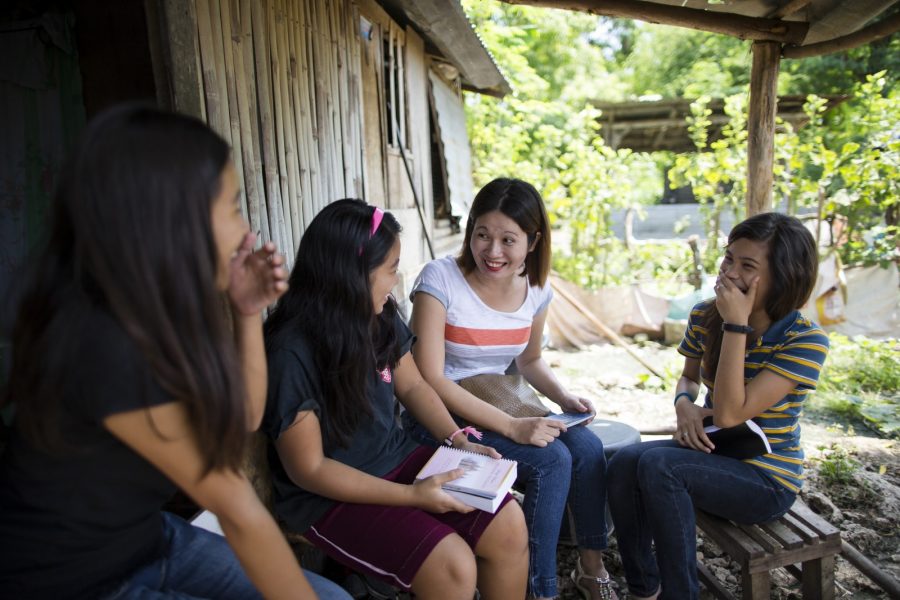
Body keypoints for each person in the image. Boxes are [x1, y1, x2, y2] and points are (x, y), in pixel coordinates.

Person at [0, 105, 349, 599]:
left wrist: (246, 310)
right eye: (230, 206)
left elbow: (247, 416)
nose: (244, 229)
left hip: (143, 542)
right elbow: (238, 509)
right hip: (68, 580)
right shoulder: (105, 345)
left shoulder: (153, 310)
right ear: (172, 221)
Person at [261, 199, 529, 600]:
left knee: (507, 524)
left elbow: (415, 386)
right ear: (351, 274)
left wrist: (457, 439)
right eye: (390, 268)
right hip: (326, 495)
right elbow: (310, 470)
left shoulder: (378, 315)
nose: (396, 280)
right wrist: (412, 497)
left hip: (395, 458)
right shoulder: (292, 351)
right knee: (452, 565)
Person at [404, 178, 615, 600]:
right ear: (470, 232)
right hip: (440, 413)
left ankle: (592, 568)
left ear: (533, 241)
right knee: (552, 461)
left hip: (499, 397)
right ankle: (541, 589)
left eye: (507, 239)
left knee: (588, 449)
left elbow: (530, 361)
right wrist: (515, 428)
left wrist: (563, 399)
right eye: (482, 235)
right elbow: (430, 379)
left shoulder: (537, 290)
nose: (492, 251)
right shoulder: (440, 279)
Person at [607, 212, 830, 600]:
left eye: (747, 266)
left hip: (766, 480)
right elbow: (689, 379)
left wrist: (736, 326)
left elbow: (729, 413)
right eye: (729, 258)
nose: (729, 272)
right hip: (715, 451)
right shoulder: (704, 314)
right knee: (624, 462)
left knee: (660, 467)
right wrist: (683, 404)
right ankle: (645, 588)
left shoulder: (805, 341)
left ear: (784, 276)